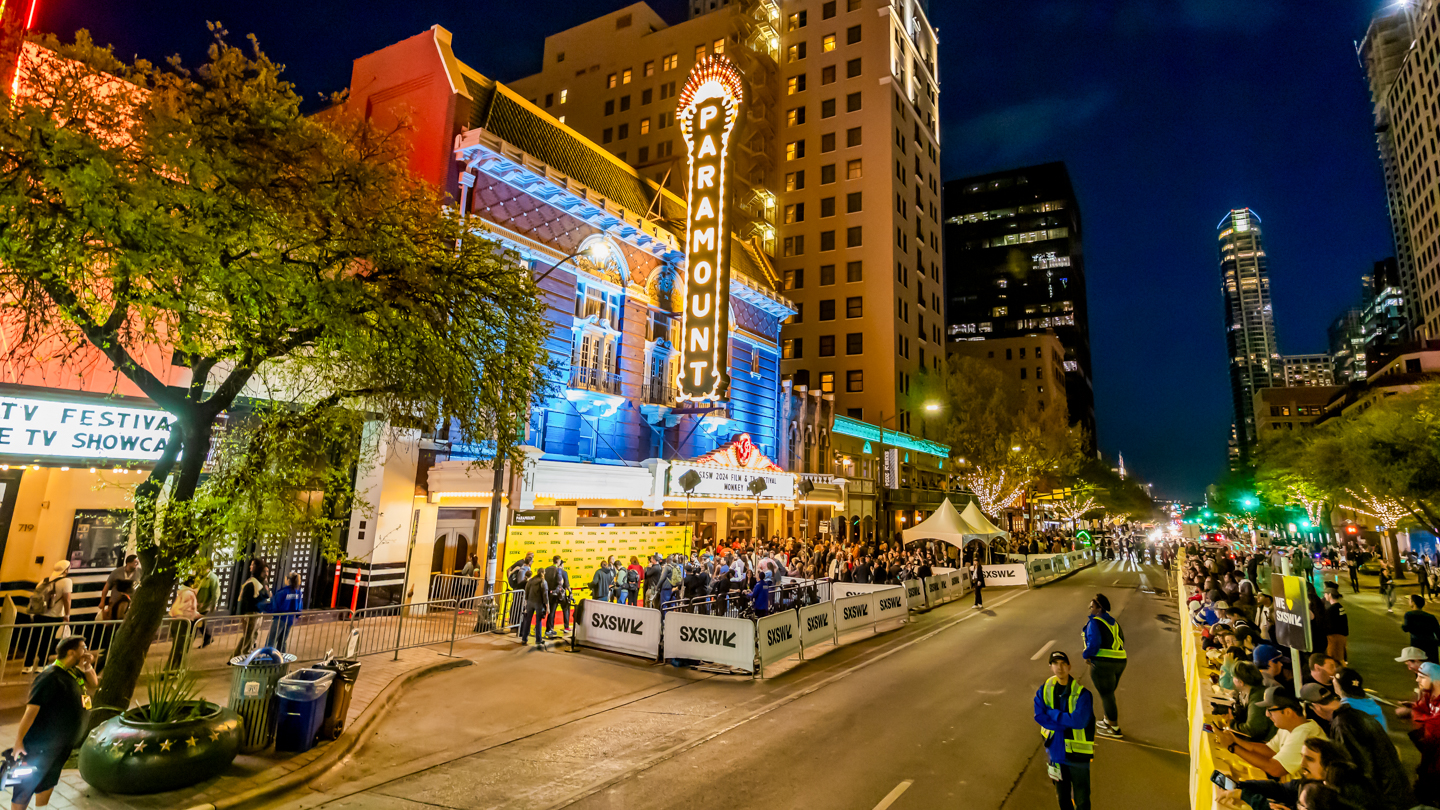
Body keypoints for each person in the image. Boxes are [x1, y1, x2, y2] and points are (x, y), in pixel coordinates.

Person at [10, 635, 96, 810]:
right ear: (71, 652)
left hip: (61, 743)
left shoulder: (73, 671)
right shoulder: (49, 677)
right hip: (41, 744)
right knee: (25, 784)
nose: (86, 651)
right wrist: (19, 741)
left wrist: (87, 666)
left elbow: (93, 683)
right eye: (83, 648)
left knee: (49, 781)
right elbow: (30, 711)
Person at [1299, 682, 1413, 810]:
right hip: (1396, 791)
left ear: (1315, 707)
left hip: (1387, 799)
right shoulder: (1356, 715)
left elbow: (1361, 769)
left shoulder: (1343, 725)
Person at [1212, 686, 1327, 780]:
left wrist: (1233, 747)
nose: (1267, 714)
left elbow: (1275, 769)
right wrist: (1235, 740)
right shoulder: (1289, 727)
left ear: (1287, 712)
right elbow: (1270, 750)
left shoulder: (1304, 734)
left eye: (1270, 710)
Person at [1034, 650, 1094, 810]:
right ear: (1051, 666)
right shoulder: (1044, 691)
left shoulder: (1083, 695)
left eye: (1063, 664)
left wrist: (1053, 714)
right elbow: (1039, 716)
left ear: (1069, 666)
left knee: (1082, 800)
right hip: (1056, 755)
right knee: (1063, 798)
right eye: (1055, 664)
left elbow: (1080, 721)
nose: (1059, 668)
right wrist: (1066, 723)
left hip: (1078, 757)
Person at [1082, 593, 1126, 739]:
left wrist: (1086, 655)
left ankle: (1114, 728)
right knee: (1109, 694)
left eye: (1092, 606)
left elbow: (1094, 643)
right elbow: (1122, 640)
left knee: (1107, 695)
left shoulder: (1095, 622)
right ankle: (1108, 720)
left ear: (1099, 607)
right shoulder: (1113, 622)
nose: (1090, 609)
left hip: (1103, 663)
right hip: (1120, 661)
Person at [23, 561, 73, 675]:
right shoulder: (67, 581)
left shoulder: (44, 581)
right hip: (54, 616)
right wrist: (67, 615)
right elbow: (67, 599)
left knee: (34, 639)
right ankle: (41, 665)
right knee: (47, 640)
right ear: (65, 570)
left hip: (38, 614)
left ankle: (27, 665)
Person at [233, 561, 271, 657]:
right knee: (248, 637)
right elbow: (244, 601)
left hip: (258, 613)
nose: (266, 574)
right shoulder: (251, 583)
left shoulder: (263, 583)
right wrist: (243, 615)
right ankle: (244, 656)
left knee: (252, 636)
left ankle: (236, 657)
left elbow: (268, 594)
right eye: (264, 571)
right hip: (251, 614)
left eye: (267, 571)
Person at [167, 574, 202, 669]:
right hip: (182, 623)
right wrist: (197, 615)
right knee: (179, 648)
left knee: (178, 647)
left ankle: (174, 669)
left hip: (177, 621)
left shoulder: (183, 592)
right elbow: (186, 610)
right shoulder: (189, 594)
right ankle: (170, 669)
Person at [265, 572, 304, 652]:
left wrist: (269, 599)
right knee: (282, 642)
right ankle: (281, 661)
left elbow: (274, 606)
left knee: (271, 641)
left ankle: (267, 660)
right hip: (290, 620)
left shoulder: (282, 592)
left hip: (280, 619)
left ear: (288, 580)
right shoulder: (298, 592)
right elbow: (299, 608)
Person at [98, 554, 141, 619]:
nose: (136, 564)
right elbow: (106, 588)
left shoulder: (139, 572)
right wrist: (102, 601)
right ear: (128, 563)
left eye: (137, 563)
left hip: (131, 604)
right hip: (114, 602)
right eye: (135, 562)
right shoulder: (116, 572)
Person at [1404, 595, 1440, 664]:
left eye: (1409, 600)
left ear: (1413, 603)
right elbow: (1438, 631)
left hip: (1417, 643)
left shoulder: (1409, 615)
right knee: (1432, 667)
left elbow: (1406, 628)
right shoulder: (1431, 617)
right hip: (1431, 644)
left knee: (1419, 667)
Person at [520, 567, 549, 646]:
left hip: (530, 602)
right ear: (544, 573)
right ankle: (538, 640)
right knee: (538, 621)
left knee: (527, 621)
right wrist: (547, 606)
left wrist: (526, 602)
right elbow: (545, 595)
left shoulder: (531, 581)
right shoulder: (543, 582)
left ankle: (524, 639)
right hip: (538, 603)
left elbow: (526, 591)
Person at [544, 556, 571, 639]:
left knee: (551, 611)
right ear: (559, 562)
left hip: (550, 592)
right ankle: (566, 627)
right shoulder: (562, 572)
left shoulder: (547, 569)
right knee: (566, 608)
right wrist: (570, 592)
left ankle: (549, 629)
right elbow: (566, 584)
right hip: (560, 594)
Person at [195, 560, 220, 648]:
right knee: (200, 622)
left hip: (204, 605)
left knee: (197, 621)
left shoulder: (212, 577)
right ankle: (207, 637)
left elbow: (215, 593)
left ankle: (206, 638)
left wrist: (213, 605)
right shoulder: (201, 576)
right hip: (198, 605)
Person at [1324, 589, 1349, 664]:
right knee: (1340, 659)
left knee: (1335, 661)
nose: (1324, 596)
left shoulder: (1331, 610)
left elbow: (1328, 625)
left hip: (1334, 639)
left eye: (1325, 594)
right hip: (1342, 637)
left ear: (1330, 595)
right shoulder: (1340, 607)